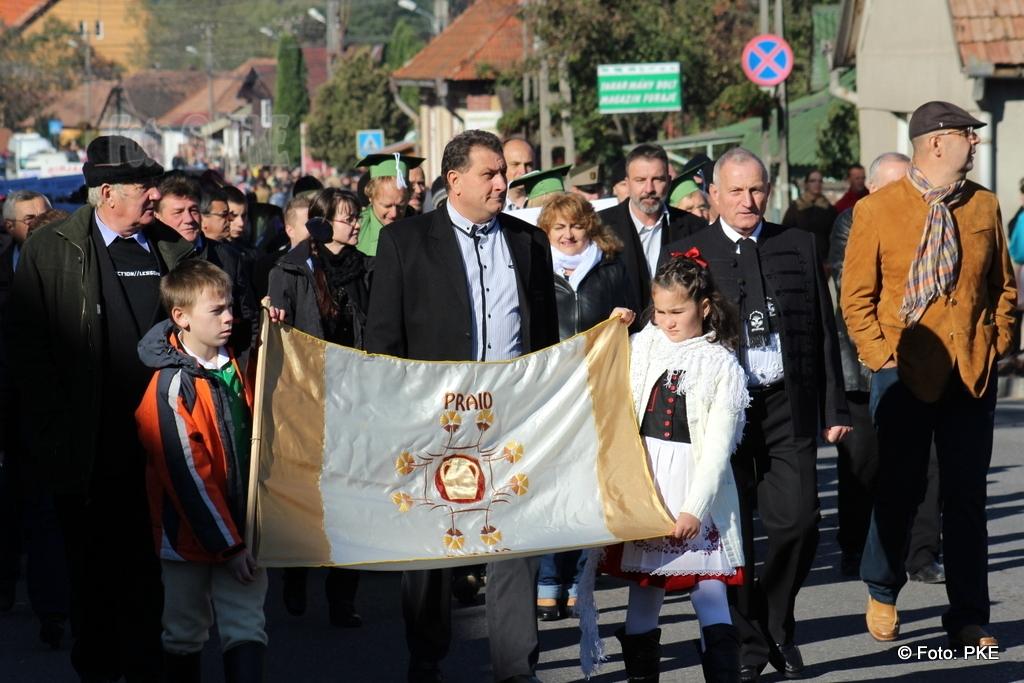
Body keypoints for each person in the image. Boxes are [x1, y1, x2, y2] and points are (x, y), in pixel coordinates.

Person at [366, 129, 558, 683]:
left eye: (503, 173)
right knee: (432, 546)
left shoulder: (528, 242)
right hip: (434, 421)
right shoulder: (405, 242)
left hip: (511, 420)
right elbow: (384, 341)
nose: (502, 183)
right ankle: (427, 657)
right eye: (489, 174)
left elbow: (543, 337)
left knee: (514, 540)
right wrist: (396, 420)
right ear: (454, 180)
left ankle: (515, 665)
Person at [7, 135, 193, 681]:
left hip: (162, 442)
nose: (154, 194)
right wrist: (54, 432)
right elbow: (27, 348)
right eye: (143, 186)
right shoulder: (52, 249)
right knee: (93, 574)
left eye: (154, 184)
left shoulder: (171, 249)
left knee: (155, 572)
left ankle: (149, 667)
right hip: (88, 445)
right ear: (107, 192)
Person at [661, 147, 850, 681]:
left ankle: (776, 619)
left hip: (786, 405)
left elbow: (822, 328)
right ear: (714, 195)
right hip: (720, 415)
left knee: (800, 521)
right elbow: (669, 336)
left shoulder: (798, 242)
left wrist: (834, 406)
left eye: (757, 189)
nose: (748, 201)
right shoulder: (686, 252)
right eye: (736, 191)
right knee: (733, 535)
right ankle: (750, 642)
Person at [842, 100, 1016, 650]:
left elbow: (1003, 288)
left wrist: (996, 340)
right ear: (938, 142)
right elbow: (856, 299)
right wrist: (881, 358)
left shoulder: (984, 204)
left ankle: (968, 616)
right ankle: (882, 587)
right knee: (900, 487)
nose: (976, 142)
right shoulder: (878, 209)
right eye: (969, 134)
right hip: (902, 373)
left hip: (971, 373)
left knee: (966, 498)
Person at [591, 253, 747, 683]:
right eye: (659, 311)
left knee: (709, 588)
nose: (666, 321)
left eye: (677, 311)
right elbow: (602, 375)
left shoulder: (720, 364)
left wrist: (695, 508)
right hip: (648, 486)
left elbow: (717, 450)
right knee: (646, 589)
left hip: (694, 489)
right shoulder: (644, 344)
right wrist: (614, 329)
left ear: (705, 307)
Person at [135, 259, 267, 682]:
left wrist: (275, 330)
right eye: (216, 310)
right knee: (184, 631)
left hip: (244, 526)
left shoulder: (241, 362)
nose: (229, 317)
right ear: (182, 317)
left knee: (246, 627)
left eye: (230, 307)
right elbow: (186, 474)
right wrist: (228, 546)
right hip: (188, 536)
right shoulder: (171, 385)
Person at [828, 152, 946, 583]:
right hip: (864, 363)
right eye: (893, 185)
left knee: (929, 463)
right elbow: (857, 291)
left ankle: (922, 554)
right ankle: (855, 546)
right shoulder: (852, 221)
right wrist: (881, 351)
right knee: (862, 463)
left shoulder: (932, 218)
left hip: (923, 361)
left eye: (908, 183)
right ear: (872, 189)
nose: (903, 193)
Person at [533, 194, 633, 621]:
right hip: (550, 395)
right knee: (549, 488)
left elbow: (638, 321)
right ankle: (547, 579)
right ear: (546, 232)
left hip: (598, 392)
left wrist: (627, 319)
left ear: (590, 227)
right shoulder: (534, 269)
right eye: (559, 227)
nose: (569, 235)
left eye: (576, 226)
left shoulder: (612, 268)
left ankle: (578, 580)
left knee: (587, 490)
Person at [598, 144, 707, 326]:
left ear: (669, 181)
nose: (649, 189)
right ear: (627, 183)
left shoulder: (694, 228)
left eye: (657, 179)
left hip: (677, 336)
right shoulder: (600, 226)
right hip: (621, 335)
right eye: (640, 180)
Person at [156, 176, 258, 358]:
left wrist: (241, 363)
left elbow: (248, 318)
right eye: (178, 212)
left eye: (193, 210)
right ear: (158, 216)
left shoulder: (228, 258)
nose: (188, 219)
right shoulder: (151, 258)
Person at [356, 154, 422, 257]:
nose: (394, 214)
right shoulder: (356, 229)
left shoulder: (421, 229)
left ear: (408, 196)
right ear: (371, 198)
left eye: (400, 206)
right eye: (387, 206)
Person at [781, 169, 836, 267]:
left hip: (822, 261)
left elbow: (833, 236)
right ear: (806, 184)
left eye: (820, 181)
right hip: (799, 260)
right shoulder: (796, 208)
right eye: (813, 181)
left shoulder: (829, 209)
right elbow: (785, 233)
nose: (817, 184)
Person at [502, 137, 536, 210]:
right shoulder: (490, 207)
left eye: (528, 165)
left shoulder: (547, 203)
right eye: (515, 164)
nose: (523, 171)